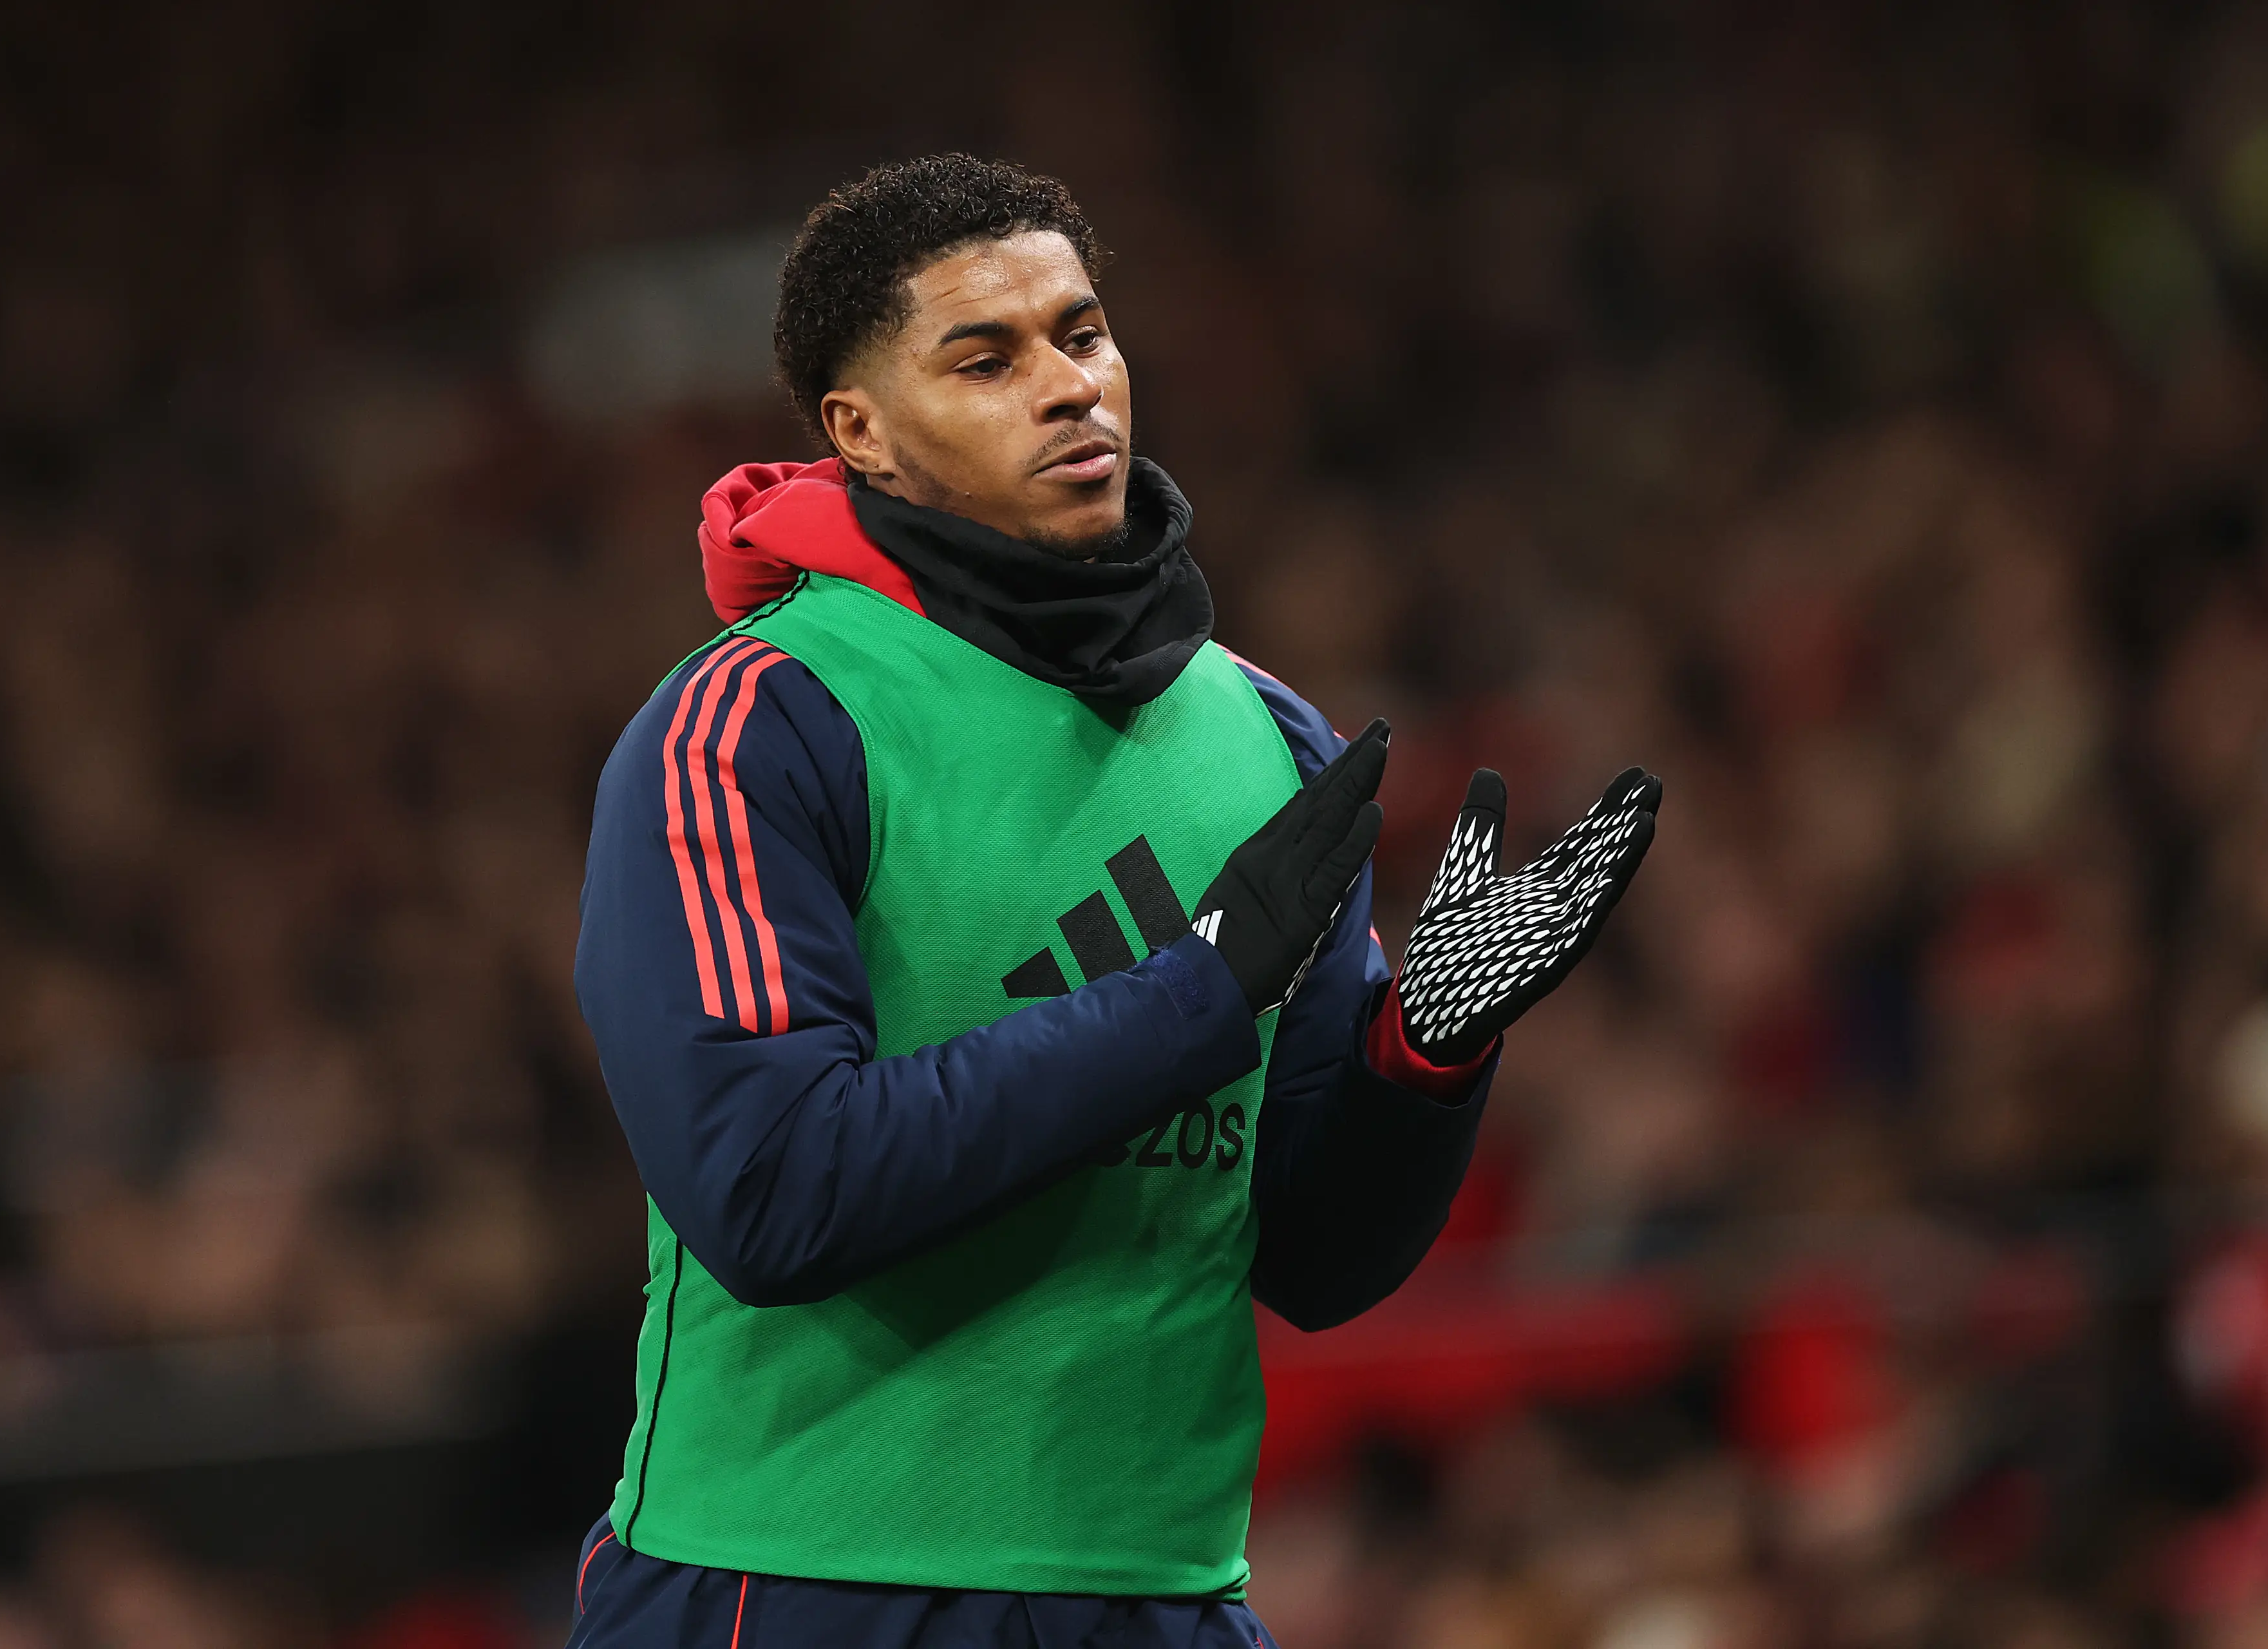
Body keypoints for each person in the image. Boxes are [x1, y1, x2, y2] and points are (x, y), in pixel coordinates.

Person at [566, 154, 1661, 1649]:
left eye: (1082, 333)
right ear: (861, 431)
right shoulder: (756, 724)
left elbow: (1315, 1262)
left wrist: (1428, 1061)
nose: (1069, 384)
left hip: (1160, 1597)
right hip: (797, 1584)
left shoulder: (1268, 739)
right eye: (987, 355)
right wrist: (1196, 993)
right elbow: (775, 1189)